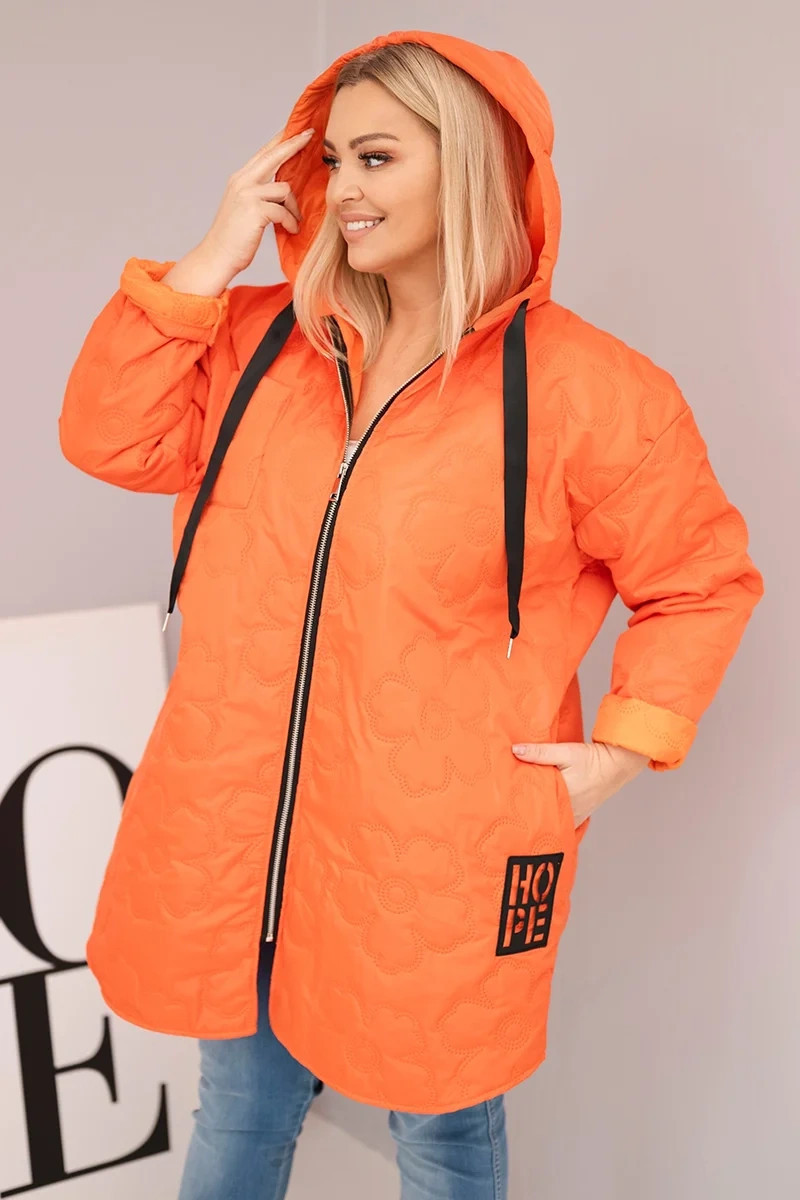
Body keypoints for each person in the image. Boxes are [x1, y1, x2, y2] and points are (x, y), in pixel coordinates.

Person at [58, 29, 764, 1200]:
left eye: (378, 157)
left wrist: (623, 750)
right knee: (240, 1104)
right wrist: (211, 257)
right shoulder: (259, 342)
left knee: (438, 1127)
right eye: (331, 159)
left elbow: (699, 580)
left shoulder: (592, 392)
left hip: (437, 850)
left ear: (469, 163)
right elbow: (107, 437)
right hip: (242, 831)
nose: (343, 188)